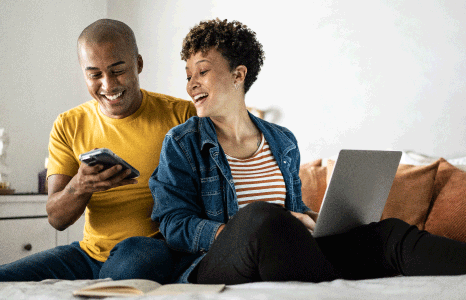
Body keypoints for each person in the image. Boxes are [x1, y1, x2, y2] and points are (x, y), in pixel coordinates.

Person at [149, 18, 466, 284]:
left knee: (387, 233)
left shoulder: (281, 140)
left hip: (284, 250)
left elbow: (293, 206)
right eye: (188, 75)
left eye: (202, 72)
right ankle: (336, 277)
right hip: (213, 263)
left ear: (238, 74)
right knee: (261, 216)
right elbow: (172, 222)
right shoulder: (181, 142)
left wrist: (312, 218)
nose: (191, 84)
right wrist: (237, 228)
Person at [0, 19, 196, 282]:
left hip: (152, 250)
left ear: (138, 64)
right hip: (89, 254)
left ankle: (105, 283)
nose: (108, 84)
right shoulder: (68, 124)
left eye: (117, 71)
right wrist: (81, 185)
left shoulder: (182, 115)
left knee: (136, 256)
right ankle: (105, 282)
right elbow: (57, 218)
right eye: (95, 74)